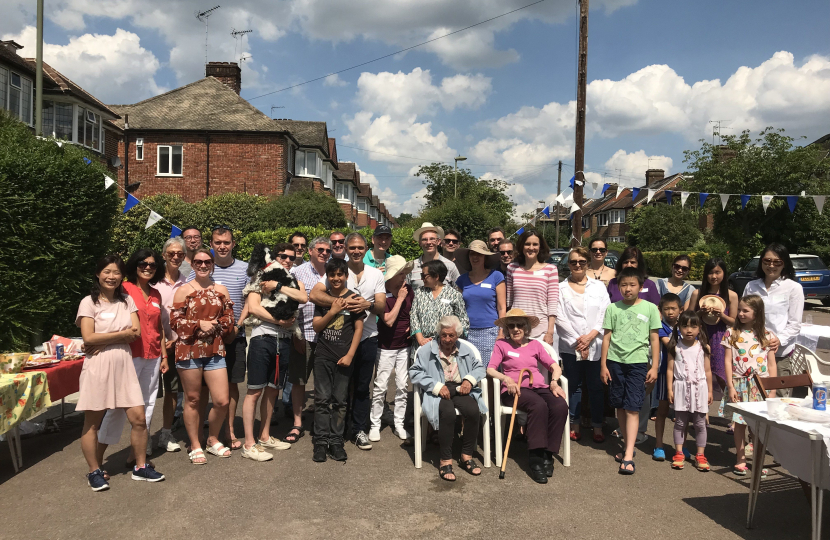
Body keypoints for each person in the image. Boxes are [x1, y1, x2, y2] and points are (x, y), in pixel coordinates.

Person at [76, 255, 165, 491]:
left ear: (121, 277)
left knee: (138, 418)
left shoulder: (127, 301)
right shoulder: (88, 303)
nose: (111, 276)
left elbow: (135, 331)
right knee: (92, 423)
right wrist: (119, 336)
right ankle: (94, 471)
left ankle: (140, 466)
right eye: (107, 271)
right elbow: (88, 337)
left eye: (116, 273)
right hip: (98, 366)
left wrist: (104, 338)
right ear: (98, 274)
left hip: (124, 365)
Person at [309, 233, 386, 451]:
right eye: (351, 247)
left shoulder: (375, 274)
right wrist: (343, 303)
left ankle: (359, 429)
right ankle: (336, 432)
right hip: (339, 340)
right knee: (336, 391)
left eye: (360, 247)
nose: (356, 251)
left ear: (366, 248)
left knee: (361, 387)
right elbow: (314, 295)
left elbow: (381, 306)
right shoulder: (338, 271)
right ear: (345, 248)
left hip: (367, 337)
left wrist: (366, 305)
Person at [97, 249, 166, 470]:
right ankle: (96, 462)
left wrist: (164, 355)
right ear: (134, 265)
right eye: (143, 263)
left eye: (152, 265)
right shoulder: (124, 288)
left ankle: (137, 457)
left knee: (147, 406)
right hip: (129, 356)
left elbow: (159, 328)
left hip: (153, 356)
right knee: (117, 408)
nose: (147, 267)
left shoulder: (156, 294)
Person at [240, 243, 308, 462]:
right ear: (274, 257)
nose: (287, 260)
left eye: (291, 257)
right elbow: (253, 307)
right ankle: (249, 444)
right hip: (263, 338)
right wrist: (278, 320)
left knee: (273, 390)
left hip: (284, 341)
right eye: (283, 256)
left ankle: (265, 435)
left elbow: (303, 297)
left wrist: (278, 286)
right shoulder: (259, 277)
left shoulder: (294, 282)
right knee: (254, 391)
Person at [488, 309, 568, 484]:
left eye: (520, 325)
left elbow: (555, 367)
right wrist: (506, 379)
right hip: (514, 390)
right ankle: (536, 458)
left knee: (560, 405)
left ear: (526, 327)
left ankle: (548, 453)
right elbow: (491, 369)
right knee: (538, 406)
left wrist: (554, 382)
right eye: (511, 326)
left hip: (538, 386)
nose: (516, 329)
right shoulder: (502, 345)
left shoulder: (535, 345)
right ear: (507, 329)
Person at [188, 226, 250, 450]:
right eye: (217, 242)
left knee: (231, 385)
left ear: (233, 244)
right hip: (204, 340)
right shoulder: (202, 269)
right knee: (202, 389)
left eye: (226, 242)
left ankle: (229, 430)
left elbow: (250, 301)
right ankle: (198, 436)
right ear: (211, 245)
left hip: (234, 336)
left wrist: (237, 327)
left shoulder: (245, 269)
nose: (222, 246)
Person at [171, 248, 234, 464]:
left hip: (215, 349)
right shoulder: (183, 290)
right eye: (198, 262)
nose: (203, 265)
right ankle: (195, 444)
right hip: (188, 350)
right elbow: (176, 322)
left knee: (222, 400)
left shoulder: (221, 290)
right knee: (193, 399)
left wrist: (215, 324)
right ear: (193, 264)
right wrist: (199, 324)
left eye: (207, 261)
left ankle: (212, 438)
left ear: (213, 263)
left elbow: (229, 319)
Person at [600, 267, 661, 475]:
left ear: (640, 287)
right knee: (619, 405)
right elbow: (607, 337)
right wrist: (603, 364)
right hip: (615, 362)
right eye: (624, 285)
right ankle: (627, 445)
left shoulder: (651, 308)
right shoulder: (612, 309)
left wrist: (654, 365)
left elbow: (654, 339)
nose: (628, 289)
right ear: (618, 287)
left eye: (632, 285)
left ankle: (628, 454)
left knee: (633, 407)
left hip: (638, 364)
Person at [411, 316, 487, 481]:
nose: (447, 339)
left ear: (457, 336)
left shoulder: (464, 349)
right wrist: (436, 387)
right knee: (448, 413)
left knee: (473, 411)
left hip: (459, 388)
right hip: (436, 390)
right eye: (444, 335)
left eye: (451, 335)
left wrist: (469, 380)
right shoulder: (426, 350)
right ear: (439, 333)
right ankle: (445, 460)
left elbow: (480, 368)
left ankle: (466, 456)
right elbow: (415, 373)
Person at [311, 258, 366, 462]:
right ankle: (320, 442)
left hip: (344, 356)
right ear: (327, 276)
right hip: (323, 356)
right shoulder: (323, 299)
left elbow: (359, 328)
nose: (336, 278)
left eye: (339, 274)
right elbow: (317, 327)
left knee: (340, 401)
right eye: (332, 275)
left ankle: (336, 441)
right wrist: (332, 311)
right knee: (322, 400)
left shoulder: (354, 298)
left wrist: (351, 354)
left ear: (346, 276)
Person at [555, 247, 610, 443]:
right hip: (570, 346)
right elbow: (559, 318)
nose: (577, 265)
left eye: (581, 262)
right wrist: (578, 342)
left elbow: (606, 314)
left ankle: (597, 425)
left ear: (587, 263)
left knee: (595, 387)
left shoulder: (598, 287)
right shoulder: (560, 288)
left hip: (596, 345)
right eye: (573, 262)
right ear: (568, 264)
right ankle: (574, 423)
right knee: (574, 386)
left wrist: (590, 337)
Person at [719, 295, 777, 475]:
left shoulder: (767, 335)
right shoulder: (731, 332)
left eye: (746, 310)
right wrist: (730, 386)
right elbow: (727, 362)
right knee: (739, 423)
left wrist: (772, 389)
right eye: (740, 310)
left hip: (760, 386)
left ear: (757, 313)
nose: (741, 314)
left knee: (758, 426)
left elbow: (772, 364)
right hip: (739, 383)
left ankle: (758, 462)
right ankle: (740, 458)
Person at [286, 236, 331, 443]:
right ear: (311, 251)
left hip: (329, 337)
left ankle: (323, 422)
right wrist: (295, 333)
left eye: (327, 251)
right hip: (304, 334)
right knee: (299, 381)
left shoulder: (335, 272)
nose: (324, 253)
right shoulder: (297, 272)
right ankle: (297, 423)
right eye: (320, 250)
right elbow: (289, 306)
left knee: (326, 382)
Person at [743, 243, 804, 390]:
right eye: (767, 261)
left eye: (777, 262)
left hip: (779, 354)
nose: (771, 265)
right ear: (761, 262)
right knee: (752, 396)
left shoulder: (793, 288)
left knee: (778, 399)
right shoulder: (751, 286)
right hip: (752, 351)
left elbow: (795, 324)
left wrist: (779, 340)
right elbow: (743, 315)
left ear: (785, 264)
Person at [370, 255, 415, 442]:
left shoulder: (409, 290)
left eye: (405, 273)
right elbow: (387, 320)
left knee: (403, 386)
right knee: (380, 386)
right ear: (392, 275)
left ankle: (399, 424)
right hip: (385, 346)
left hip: (404, 346)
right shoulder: (382, 293)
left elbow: (414, 312)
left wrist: (413, 325)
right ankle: (375, 424)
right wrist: (400, 299)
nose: (404, 277)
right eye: (400, 273)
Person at [154, 237, 188, 453]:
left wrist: (176, 339)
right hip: (154, 346)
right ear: (164, 255)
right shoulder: (153, 282)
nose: (175, 257)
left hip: (178, 345)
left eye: (180, 254)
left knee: (173, 392)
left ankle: (165, 434)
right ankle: (142, 437)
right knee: (146, 396)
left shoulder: (187, 282)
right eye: (171, 253)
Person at [666, 310, 713, 472]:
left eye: (693, 326)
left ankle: (700, 455)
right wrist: (669, 389)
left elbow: (707, 371)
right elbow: (670, 370)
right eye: (684, 326)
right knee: (680, 422)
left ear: (699, 328)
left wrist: (710, 391)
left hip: (700, 388)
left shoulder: (704, 347)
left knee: (700, 423)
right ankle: (678, 453)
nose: (689, 330)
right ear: (679, 327)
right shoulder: (674, 347)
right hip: (680, 388)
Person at [689, 258, 738, 394]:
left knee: (723, 376)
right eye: (710, 273)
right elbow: (688, 320)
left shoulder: (731, 295)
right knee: (698, 374)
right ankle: (700, 411)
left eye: (718, 272)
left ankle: (731, 407)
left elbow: (734, 322)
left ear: (724, 273)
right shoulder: (697, 294)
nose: (714, 276)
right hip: (700, 336)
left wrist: (721, 315)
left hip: (721, 337)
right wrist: (700, 313)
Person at [457, 240, 506, 369]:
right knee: (468, 372)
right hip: (467, 332)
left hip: (490, 331)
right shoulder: (461, 280)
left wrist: (501, 332)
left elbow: (502, 307)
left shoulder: (496, 276)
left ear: (485, 256)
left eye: (479, 254)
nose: (475, 257)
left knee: (490, 372)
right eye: (472, 253)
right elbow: (458, 308)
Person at [505, 229, 558, 345]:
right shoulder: (512, 268)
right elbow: (509, 302)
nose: (531, 247)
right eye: (527, 244)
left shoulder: (551, 269)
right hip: (516, 329)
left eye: (535, 244)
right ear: (521, 246)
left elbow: (553, 304)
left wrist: (550, 332)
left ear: (540, 247)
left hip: (541, 331)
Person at [410, 260, 470, 357]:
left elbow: (463, 320)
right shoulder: (419, 293)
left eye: (424, 276)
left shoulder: (454, 295)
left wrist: (451, 338)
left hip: (447, 347)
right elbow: (414, 316)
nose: (422, 279)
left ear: (436, 276)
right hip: (422, 345)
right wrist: (420, 338)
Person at [652, 293, 682, 462]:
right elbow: (670, 346)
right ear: (660, 311)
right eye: (666, 309)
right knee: (662, 410)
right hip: (665, 373)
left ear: (681, 309)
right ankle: (659, 444)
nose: (670, 312)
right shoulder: (661, 327)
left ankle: (681, 445)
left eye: (674, 309)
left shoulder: (687, 326)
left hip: (684, 376)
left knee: (682, 413)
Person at [406, 222, 460, 288]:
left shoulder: (450, 266)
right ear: (420, 243)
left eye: (432, 239)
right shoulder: (411, 266)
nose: (428, 242)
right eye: (424, 239)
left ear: (438, 241)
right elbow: (406, 292)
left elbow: (458, 292)